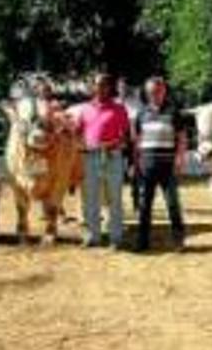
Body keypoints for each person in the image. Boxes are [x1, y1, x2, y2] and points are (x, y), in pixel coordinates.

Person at [76, 73, 130, 249]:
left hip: (113, 157)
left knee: (114, 198)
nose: (101, 88)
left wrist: (114, 143)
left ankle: (116, 237)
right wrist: (80, 144)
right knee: (91, 198)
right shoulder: (84, 109)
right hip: (90, 157)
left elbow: (126, 136)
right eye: (98, 85)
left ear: (110, 87)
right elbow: (77, 132)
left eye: (105, 85)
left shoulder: (119, 109)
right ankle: (93, 236)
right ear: (93, 87)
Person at [133, 76, 187, 252]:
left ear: (164, 91)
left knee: (172, 203)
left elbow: (182, 138)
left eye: (158, 91)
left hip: (168, 165)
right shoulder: (141, 113)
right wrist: (135, 162)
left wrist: (180, 158)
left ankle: (178, 241)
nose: (154, 94)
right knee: (144, 205)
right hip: (146, 165)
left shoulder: (174, 112)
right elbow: (137, 140)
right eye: (151, 91)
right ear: (147, 93)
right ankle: (142, 242)